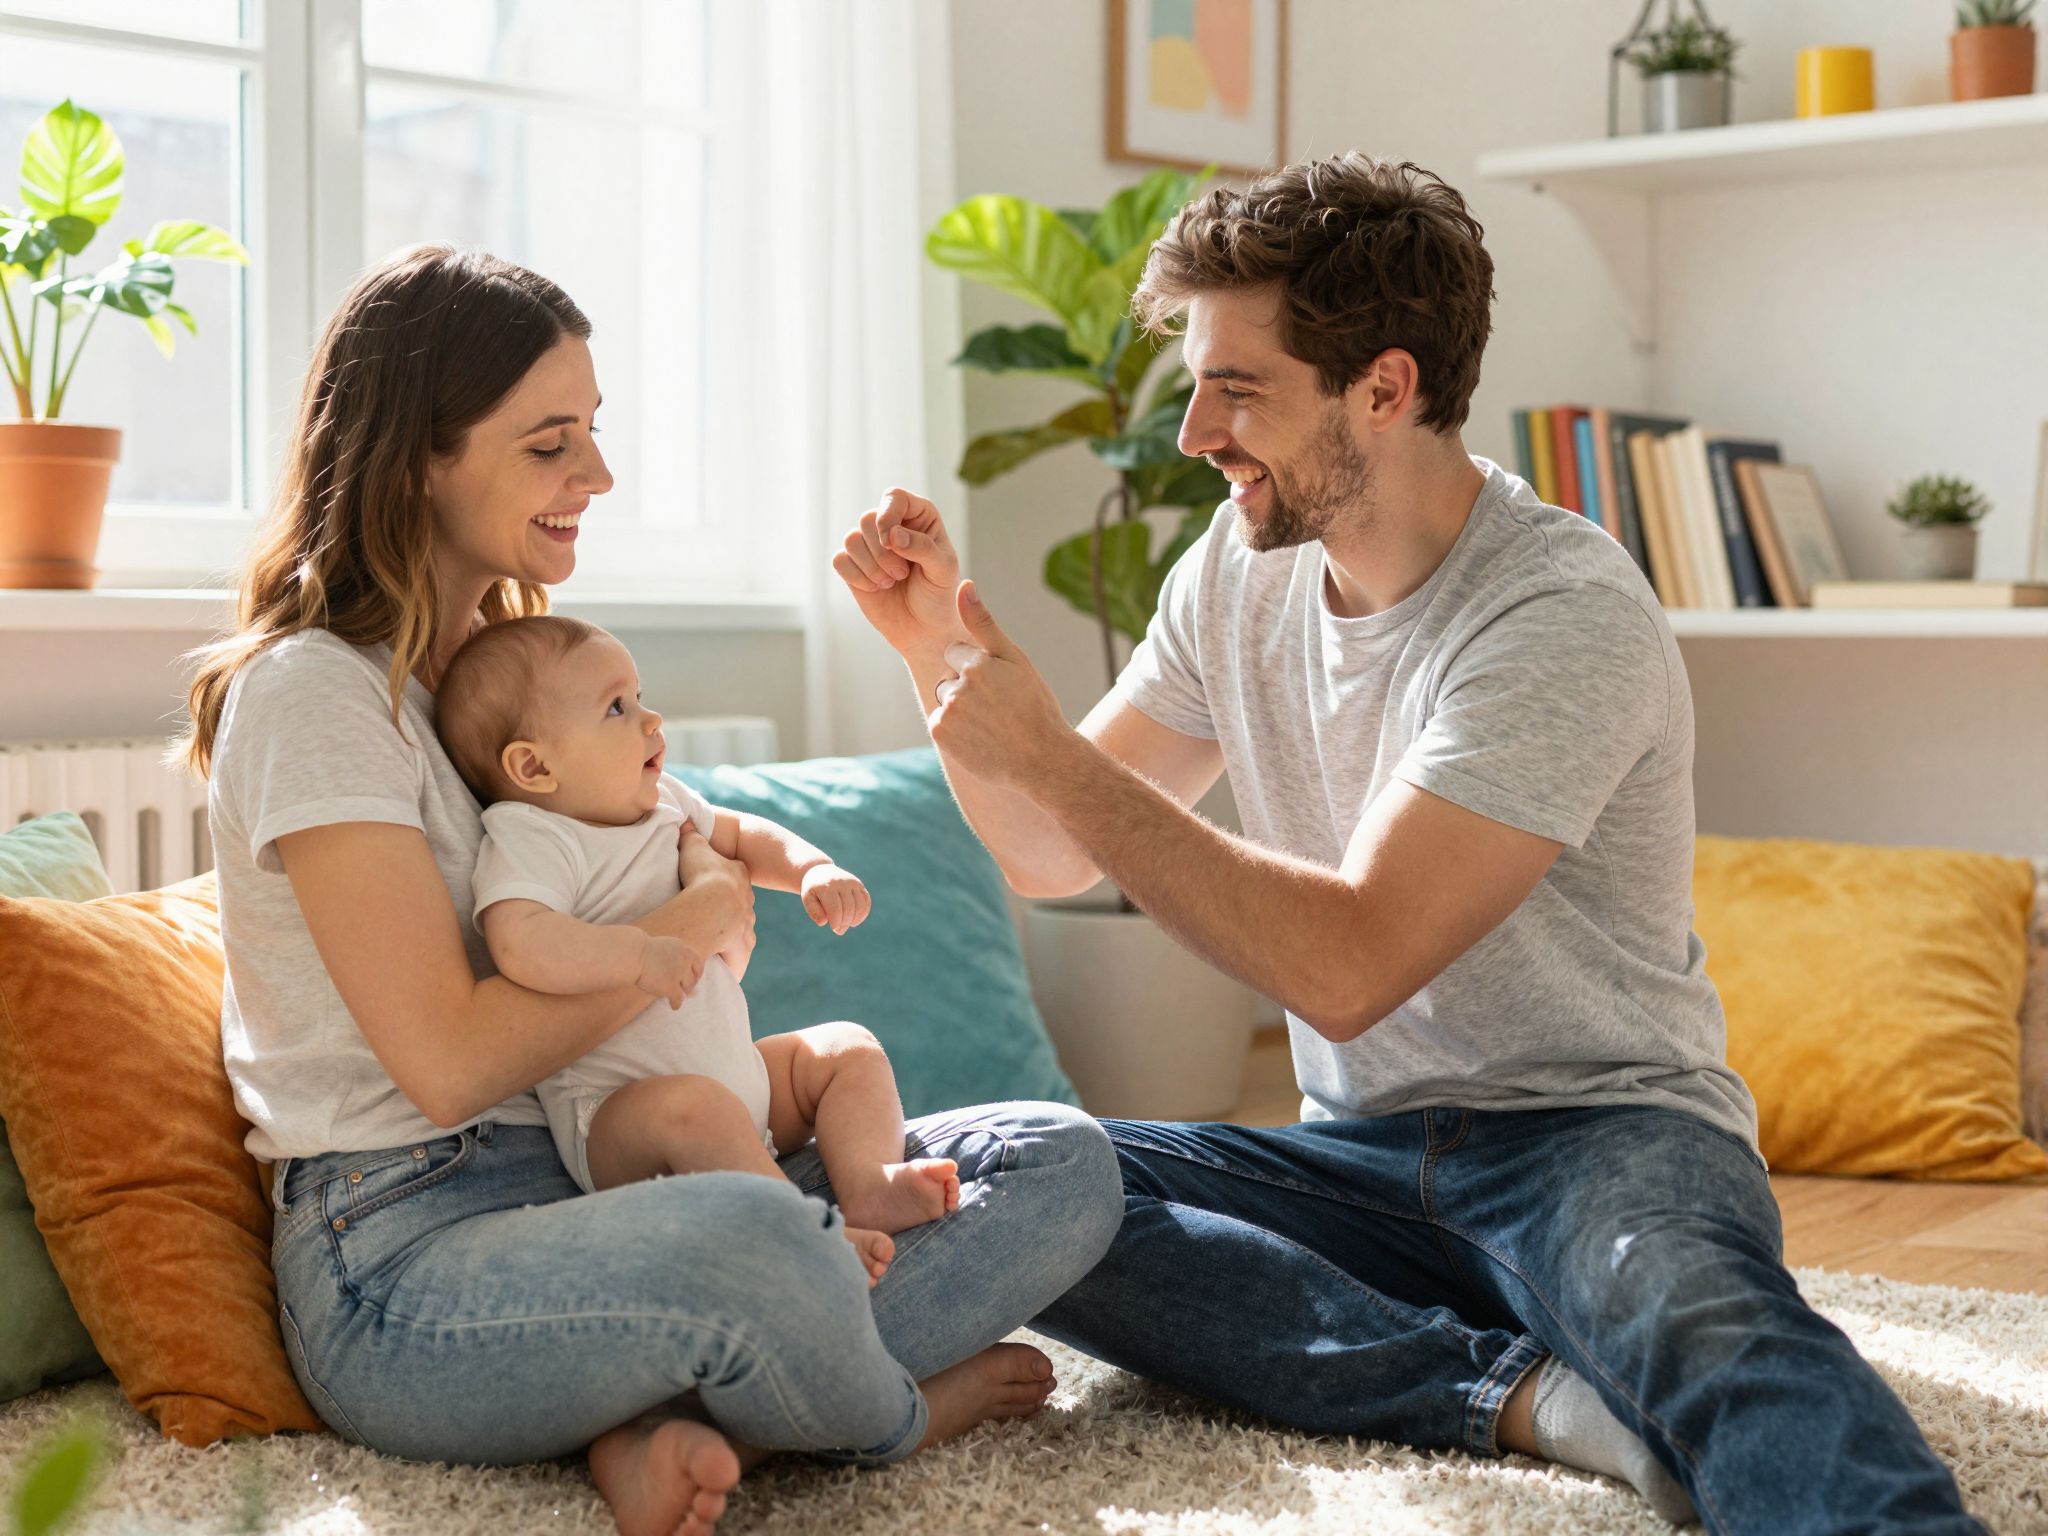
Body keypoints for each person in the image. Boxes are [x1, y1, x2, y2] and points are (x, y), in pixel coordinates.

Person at [834, 154, 1984, 1534]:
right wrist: (940, 658)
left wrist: (1054, 756)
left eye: (1237, 389)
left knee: (1707, 1328)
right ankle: (1521, 1398)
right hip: (1355, 1157)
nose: (1194, 432)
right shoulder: (1234, 570)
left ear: (1383, 388)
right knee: (993, 1175)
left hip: (1598, 1139)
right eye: (1194, 384)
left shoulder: (1558, 611)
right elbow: (1049, 853)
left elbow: (1350, 963)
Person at [178, 244, 1122, 1536]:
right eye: (550, 443)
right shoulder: (314, 696)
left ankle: (653, 1418)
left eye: (593, 431)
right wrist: (684, 927)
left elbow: (686, 861)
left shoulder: (511, 685)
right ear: (419, 458)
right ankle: (883, 1414)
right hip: (406, 1254)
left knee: (1060, 1161)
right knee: (760, 1242)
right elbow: (447, 1067)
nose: (598, 476)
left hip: (606, 1183)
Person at [434, 613, 959, 1281]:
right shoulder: (534, 835)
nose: (651, 719)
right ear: (534, 765)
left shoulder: (664, 801)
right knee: (697, 1108)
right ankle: (803, 1235)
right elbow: (520, 942)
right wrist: (637, 954)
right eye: (617, 708)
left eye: (640, 697)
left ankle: (870, 1183)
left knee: (844, 1049)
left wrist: (810, 868)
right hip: (623, 1120)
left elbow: (740, 835)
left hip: (742, 1091)